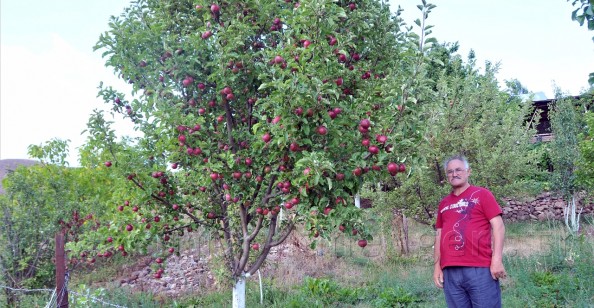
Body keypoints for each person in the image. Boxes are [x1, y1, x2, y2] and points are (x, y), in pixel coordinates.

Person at [433, 155, 506, 307]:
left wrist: (497, 260)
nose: (454, 174)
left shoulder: (482, 194)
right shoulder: (444, 204)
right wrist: (437, 266)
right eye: (450, 171)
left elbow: (498, 226)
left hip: (479, 268)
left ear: (468, 172)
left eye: (458, 170)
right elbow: (439, 235)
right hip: (451, 271)